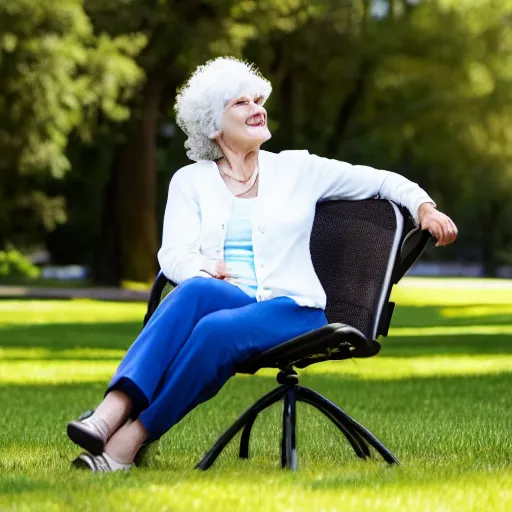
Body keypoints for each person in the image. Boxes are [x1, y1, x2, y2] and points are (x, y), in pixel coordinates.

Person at [67, 57, 458, 472]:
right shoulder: (190, 181)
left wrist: (424, 208)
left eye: (259, 99)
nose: (258, 108)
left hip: (294, 311)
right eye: (241, 103)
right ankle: (110, 411)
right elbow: (173, 255)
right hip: (226, 296)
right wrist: (202, 268)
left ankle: (128, 439)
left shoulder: (298, 168)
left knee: (216, 328)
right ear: (213, 126)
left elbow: (381, 180)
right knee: (197, 290)